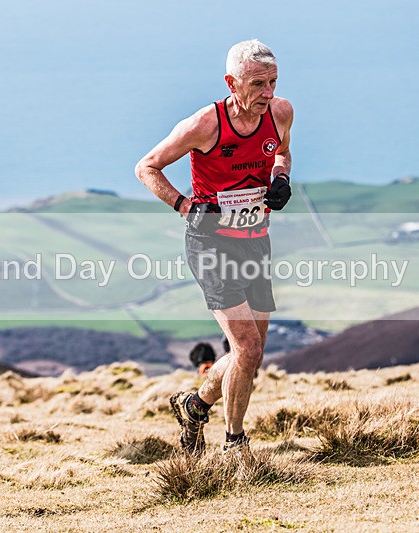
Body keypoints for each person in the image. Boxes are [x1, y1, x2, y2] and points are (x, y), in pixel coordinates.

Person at [135, 39, 293, 455]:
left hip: (256, 241)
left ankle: (195, 404)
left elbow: (283, 154)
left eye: (273, 82)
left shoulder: (280, 112)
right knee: (247, 348)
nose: (268, 93)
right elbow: (146, 167)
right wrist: (185, 206)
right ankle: (234, 442)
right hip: (211, 245)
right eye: (258, 84)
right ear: (231, 82)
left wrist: (281, 179)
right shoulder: (205, 124)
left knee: (251, 356)